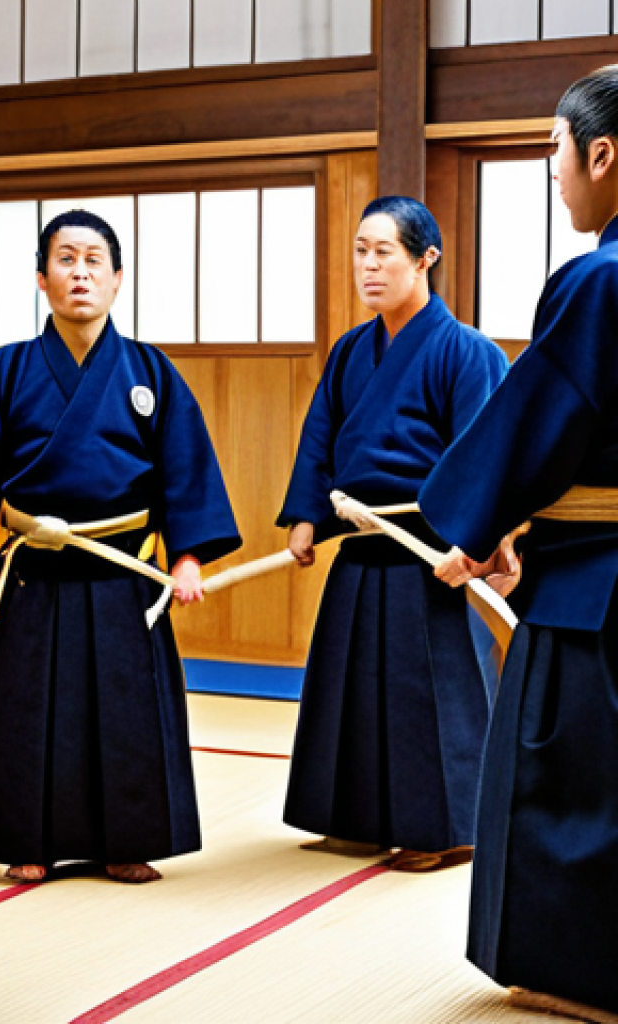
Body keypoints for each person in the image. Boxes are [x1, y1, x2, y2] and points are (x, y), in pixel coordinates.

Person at [0, 209, 240, 885]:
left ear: (118, 280)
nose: (80, 273)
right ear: (41, 278)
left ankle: (126, 840)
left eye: (95, 260)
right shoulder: (5, 373)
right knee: (29, 712)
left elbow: (186, 470)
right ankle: (27, 838)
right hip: (36, 570)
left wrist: (185, 559)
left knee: (127, 712)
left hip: (124, 572)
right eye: (65, 259)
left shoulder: (152, 371)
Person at [422, 66, 618, 1024]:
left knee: (580, 781)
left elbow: (545, 423)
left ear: (603, 152)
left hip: (600, 586)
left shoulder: (599, 282)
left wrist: (478, 525)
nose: (555, 170)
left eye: (555, 148)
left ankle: (593, 974)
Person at [277, 197, 508, 872]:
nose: (368, 265)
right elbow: (321, 436)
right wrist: (305, 516)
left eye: (384, 251)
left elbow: (485, 454)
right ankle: (355, 818)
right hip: (361, 542)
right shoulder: (351, 351)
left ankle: (447, 826)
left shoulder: (467, 352)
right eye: (360, 250)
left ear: (425, 257)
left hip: (431, 550)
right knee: (349, 687)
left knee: (430, 693)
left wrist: (475, 540)